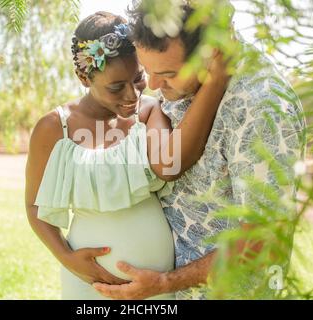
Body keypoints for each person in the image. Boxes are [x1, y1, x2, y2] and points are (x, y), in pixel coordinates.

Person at [93, 2, 306, 300]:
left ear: (211, 54)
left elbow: (264, 240)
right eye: (148, 71)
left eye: (166, 73)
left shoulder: (261, 107)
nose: (153, 85)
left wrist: (167, 282)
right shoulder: (187, 83)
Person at [25, 11, 229, 299]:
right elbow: (35, 208)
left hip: (154, 281)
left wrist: (214, 82)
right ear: (84, 77)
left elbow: (169, 166)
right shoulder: (53, 128)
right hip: (89, 283)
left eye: (137, 78)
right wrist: (67, 259)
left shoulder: (148, 111)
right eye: (116, 86)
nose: (132, 94)